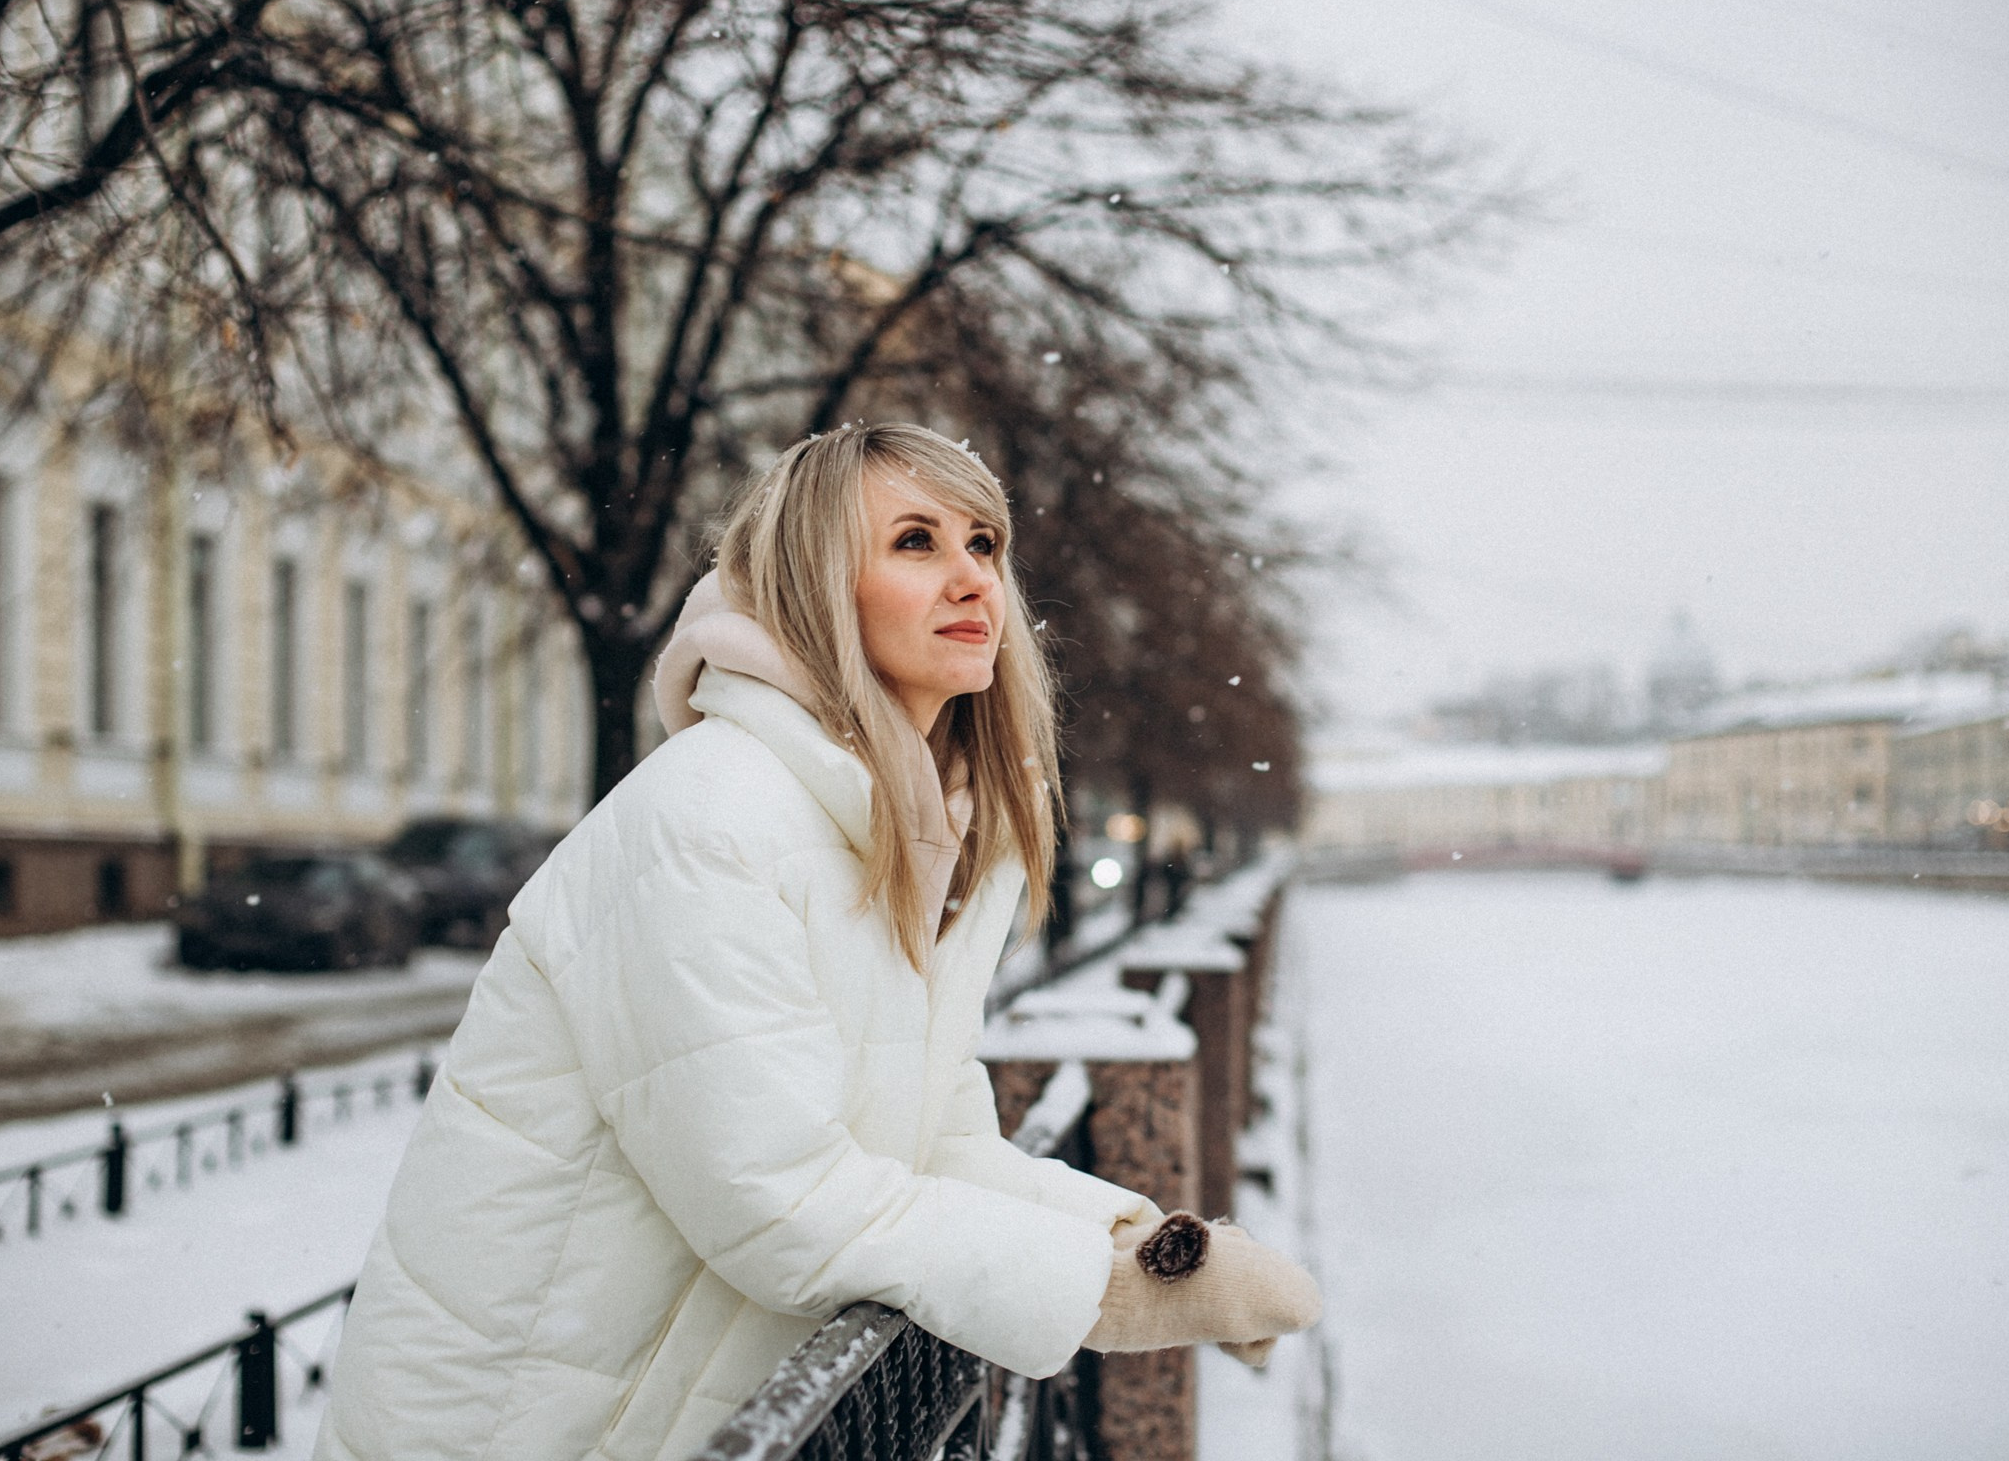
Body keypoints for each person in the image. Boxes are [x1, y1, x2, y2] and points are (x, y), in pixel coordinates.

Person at [314, 422, 1317, 1461]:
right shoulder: (710, 820)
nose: (975, 580)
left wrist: (1154, 1251)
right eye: (916, 542)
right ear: (813, 587)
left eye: (985, 543)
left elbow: (937, 1147)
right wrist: (1108, 1298)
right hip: (527, 1429)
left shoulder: (904, 830)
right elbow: (780, 1197)